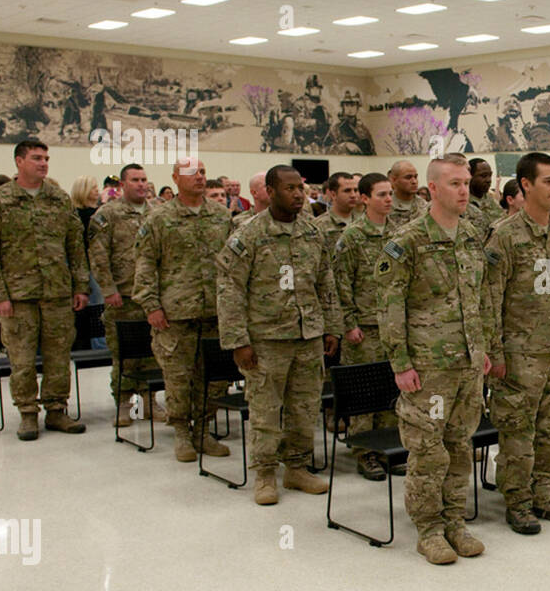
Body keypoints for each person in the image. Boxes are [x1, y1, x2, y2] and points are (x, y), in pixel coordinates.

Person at [375, 157, 489, 565]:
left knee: (460, 445)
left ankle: (455, 520)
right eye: (455, 183)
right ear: (433, 189)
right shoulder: (406, 242)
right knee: (427, 450)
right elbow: (389, 308)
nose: (464, 190)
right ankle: (429, 528)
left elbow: (480, 300)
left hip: (467, 363)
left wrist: (483, 348)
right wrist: (401, 364)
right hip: (428, 367)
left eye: (466, 183)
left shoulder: (472, 236)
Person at [217, 165, 340, 504]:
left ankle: (297, 467)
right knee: (266, 410)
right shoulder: (249, 235)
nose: (298, 194)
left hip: (308, 336)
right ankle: (265, 473)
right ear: (269, 192)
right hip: (266, 339)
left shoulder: (312, 232)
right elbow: (229, 290)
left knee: (304, 408)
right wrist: (238, 341)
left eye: (300, 188)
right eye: (289, 189)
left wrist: (332, 327)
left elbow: (325, 282)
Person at [485, 152, 550, 532]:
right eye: (548, 181)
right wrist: (495, 353)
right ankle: (518, 500)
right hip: (519, 354)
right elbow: (489, 299)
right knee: (517, 431)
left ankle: (543, 492)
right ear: (525, 185)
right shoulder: (504, 236)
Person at [0, 140, 89, 439]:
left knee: (58, 356)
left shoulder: (59, 198)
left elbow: (75, 246)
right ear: (19, 161)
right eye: (36, 158)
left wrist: (81, 286)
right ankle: (27, 412)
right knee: (22, 359)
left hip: (57, 293)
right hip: (17, 296)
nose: (43, 163)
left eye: (46, 158)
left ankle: (56, 410)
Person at [133, 158, 234, 463]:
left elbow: (231, 262)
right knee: (178, 377)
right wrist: (151, 305)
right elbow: (146, 264)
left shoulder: (220, 215)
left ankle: (203, 430)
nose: (200, 177)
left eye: (203, 171)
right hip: (175, 312)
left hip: (215, 311)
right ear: (176, 177)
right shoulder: (158, 218)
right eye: (192, 172)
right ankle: (181, 432)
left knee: (213, 377)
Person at [333, 172, 396, 481]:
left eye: (390, 194)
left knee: (392, 388)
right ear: (366, 198)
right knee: (365, 393)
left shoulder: (398, 234)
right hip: (364, 327)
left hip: (392, 325)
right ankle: (364, 451)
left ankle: (389, 446)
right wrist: (349, 323)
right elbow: (340, 283)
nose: (388, 200)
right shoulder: (353, 237)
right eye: (382, 194)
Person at [89, 163, 163, 426]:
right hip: (123, 296)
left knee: (153, 352)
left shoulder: (158, 213)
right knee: (126, 355)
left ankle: (150, 401)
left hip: (153, 298)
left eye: (144, 179)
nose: (141, 184)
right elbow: (98, 256)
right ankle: (125, 404)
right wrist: (108, 291)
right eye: (135, 180)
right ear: (122, 185)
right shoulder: (107, 214)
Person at [314, 172, 358, 253]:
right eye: (347, 191)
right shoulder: (318, 226)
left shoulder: (362, 223)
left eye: (355, 190)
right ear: (333, 194)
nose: (353, 195)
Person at [464, 158, 500, 240]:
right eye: (483, 176)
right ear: (470, 177)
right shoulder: (462, 202)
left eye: (490, 175)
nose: (488, 180)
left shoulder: (491, 201)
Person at [387, 160, 427, 232]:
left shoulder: (424, 206)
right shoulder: (386, 206)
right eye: (408, 177)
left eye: (415, 177)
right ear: (393, 180)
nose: (414, 181)